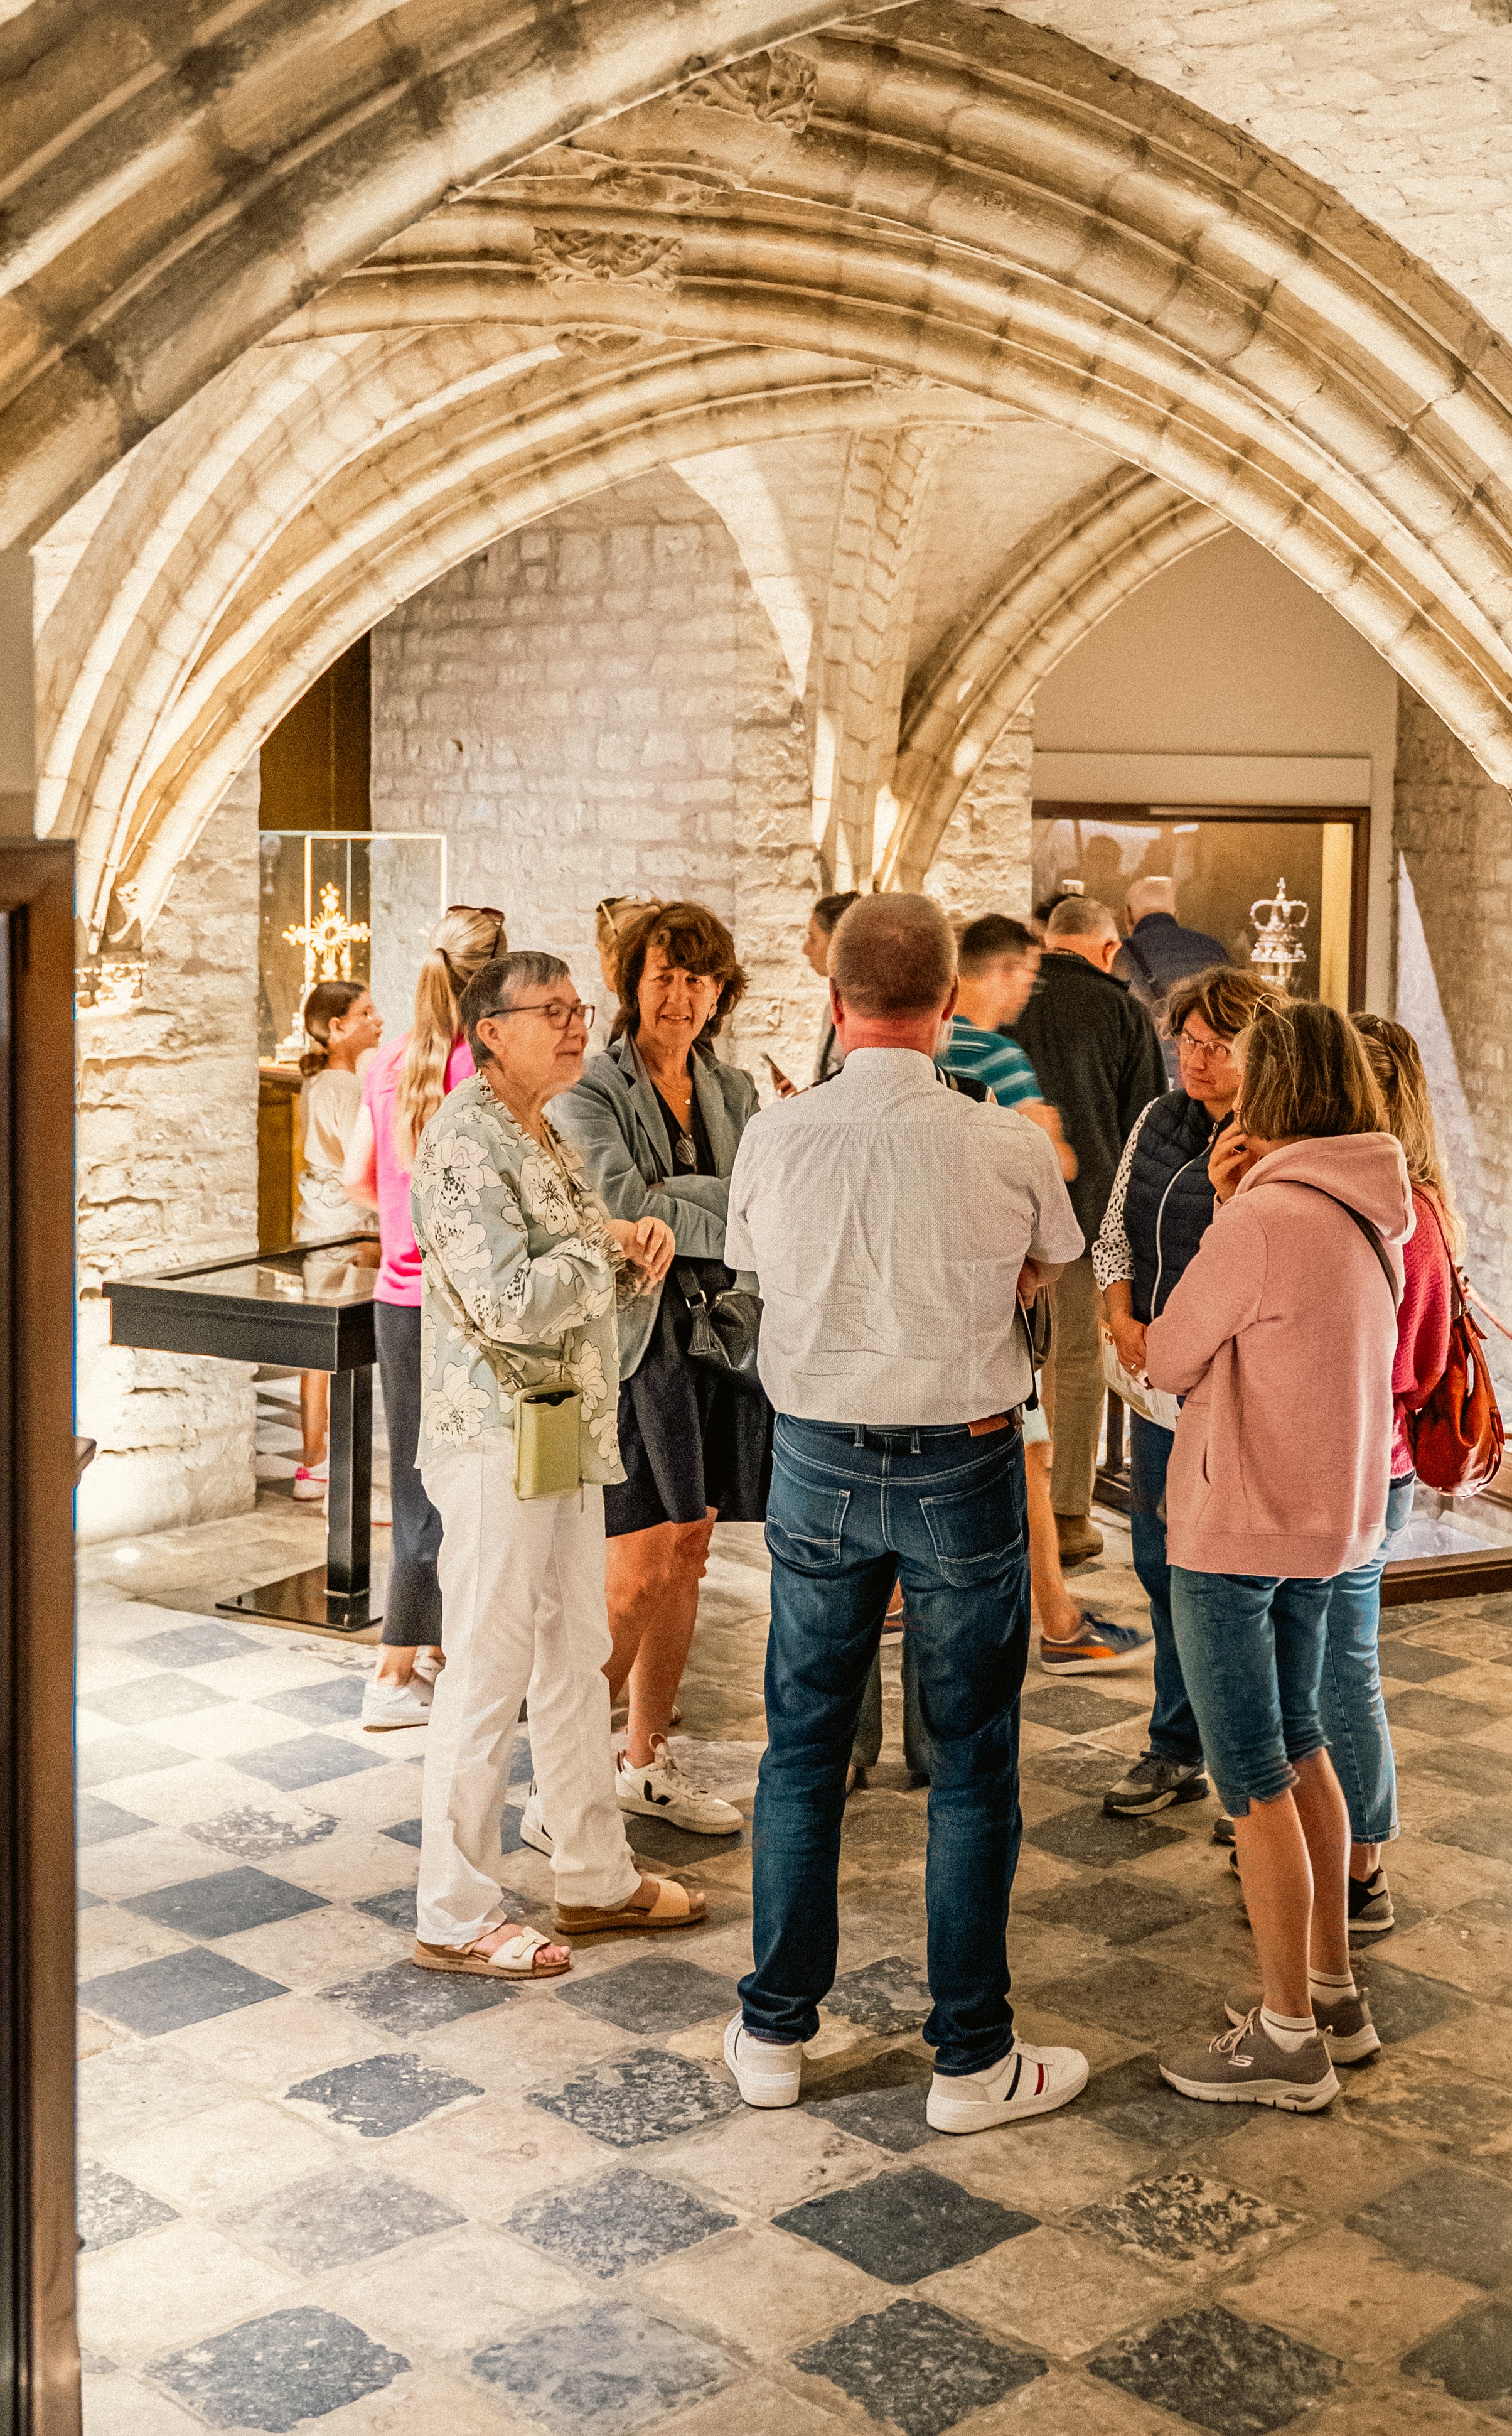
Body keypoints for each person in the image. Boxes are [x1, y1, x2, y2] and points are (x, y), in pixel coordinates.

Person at [721, 893, 1091, 2133]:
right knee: (970, 1759)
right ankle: (967, 2059)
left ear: (832, 1003)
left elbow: (757, 1275)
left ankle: (774, 2027)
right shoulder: (1000, 1140)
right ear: (942, 1008)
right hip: (960, 1462)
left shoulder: (775, 1135)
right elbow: (1050, 1258)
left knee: (802, 1745)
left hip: (815, 1459)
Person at [407, 948, 706, 1975]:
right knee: (487, 1663)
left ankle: (592, 1869)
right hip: (493, 1431)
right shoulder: (459, 1138)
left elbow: (580, 1302)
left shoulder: (545, 1132)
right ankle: (450, 1910)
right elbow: (503, 1297)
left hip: (561, 1425)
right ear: (488, 1029)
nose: (578, 1025)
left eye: (581, 1009)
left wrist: (631, 1255)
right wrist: (602, 1253)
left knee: (573, 1648)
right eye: (554, 1010)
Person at [1145, 1000, 1410, 2109]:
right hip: (1322, 1520)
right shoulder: (1375, 1203)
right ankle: (1333, 1994)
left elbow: (1165, 1354)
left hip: (1235, 1522)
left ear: (1279, 1090)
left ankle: (1285, 2038)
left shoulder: (1262, 1217)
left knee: (1249, 1775)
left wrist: (1223, 1209)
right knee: (1305, 1744)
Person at [550, 900, 764, 1838]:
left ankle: (644, 1759)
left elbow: (763, 1201)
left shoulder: (734, 1086)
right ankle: (560, 1786)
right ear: (629, 984)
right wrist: (718, 1208)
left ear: (720, 989)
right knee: (632, 1572)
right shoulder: (588, 1091)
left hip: (719, 1339)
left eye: (696, 976)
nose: (678, 993)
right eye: (662, 975)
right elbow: (620, 1204)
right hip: (633, 1348)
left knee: (691, 1550)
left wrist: (683, 1210)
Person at [1092, 966, 1279, 1818]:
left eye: (1214, 1044)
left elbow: (1255, 1261)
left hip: (1226, 1387)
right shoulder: (1158, 1117)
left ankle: (1251, 1768)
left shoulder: (1273, 1139)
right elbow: (1111, 1231)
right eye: (1185, 1041)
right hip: (1151, 1376)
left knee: (1223, 1577)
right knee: (1156, 1560)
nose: (1193, 1059)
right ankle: (1177, 1744)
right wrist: (1121, 1320)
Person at [947, 915, 1147, 1674]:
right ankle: (1055, 1615)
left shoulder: (902, 1050)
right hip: (1004, 1277)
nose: (1026, 991)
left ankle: (1053, 1611)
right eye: (1020, 977)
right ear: (994, 973)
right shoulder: (994, 1054)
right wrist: (1050, 1140)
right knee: (1031, 1430)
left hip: (929, 1292)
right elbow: (1052, 1160)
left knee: (1015, 1440)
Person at [341, 907, 506, 1731]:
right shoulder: (485, 1066)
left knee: (417, 1485)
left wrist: (401, 1223)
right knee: (462, 1492)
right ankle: (391, 1670)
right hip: (465, 1307)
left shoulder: (391, 1058)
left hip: (399, 1300)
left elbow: (357, 1177)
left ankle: (429, 1656)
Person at [1334, 1014, 1457, 1938]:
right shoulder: (1400, 1199)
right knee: (1320, 1660)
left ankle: (1362, 1859)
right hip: (1361, 1463)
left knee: (1341, 1666)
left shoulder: (1398, 1211)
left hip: (1359, 1463)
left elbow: (1407, 1363)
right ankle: (1318, 1829)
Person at [1009, 893, 1167, 1563]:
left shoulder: (1005, 999)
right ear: (1108, 950)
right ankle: (1066, 1515)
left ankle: (1006, 1513)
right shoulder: (1124, 1011)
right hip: (1084, 1218)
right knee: (1073, 1363)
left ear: (1049, 941)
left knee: (1003, 1363)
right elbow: (1145, 1128)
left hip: (999, 1217)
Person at [291, 979, 383, 1502]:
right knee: (336, 1349)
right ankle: (320, 1461)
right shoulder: (342, 1088)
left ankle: (316, 1462)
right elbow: (360, 1166)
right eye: (366, 1013)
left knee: (321, 1349)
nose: (378, 1020)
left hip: (324, 1225)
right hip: (343, 1229)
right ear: (336, 1028)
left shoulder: (325, 1083)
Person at [771, 887, 861, 1097]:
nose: (805, 949)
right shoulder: (832, 1007)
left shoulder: (865, 1011)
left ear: (837, 943)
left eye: (813, 938)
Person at [1118, 875, 1228, 1031]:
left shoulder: (1117, 954)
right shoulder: (1214, 948)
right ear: (1176, 913)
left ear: (1127, 914)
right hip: (1201, 1048)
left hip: (1148, 1049)